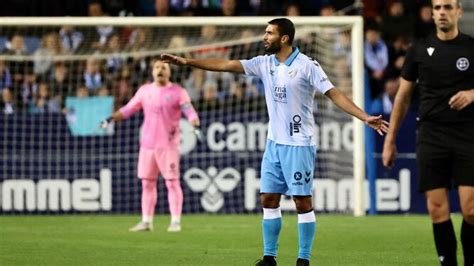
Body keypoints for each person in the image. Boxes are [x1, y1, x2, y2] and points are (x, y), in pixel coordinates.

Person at [162, 18, 389, 266]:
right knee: (268, 199)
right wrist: (187, 62)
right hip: (274, 144)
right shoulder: (263, 63)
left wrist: (365, 116)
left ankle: (304, 259)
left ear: (284, 38)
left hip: (299, 144)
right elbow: (225, 65)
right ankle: (270, 257)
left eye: (269, 33)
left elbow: (333, 94)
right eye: (265, 32)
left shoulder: (307, 65)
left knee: (302, 201)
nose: (265, 36)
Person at [382, 1, 474, 265]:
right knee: (436, 209)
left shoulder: (471, 47)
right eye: (437, 8)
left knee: (471, 210)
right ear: (432, 14)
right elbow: (402, 97)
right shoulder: (419, 50)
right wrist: (390, 141)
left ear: (459, 11)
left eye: (447, 7)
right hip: (432, 135)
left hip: (468, 134)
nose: (442, 12)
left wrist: (472, 93)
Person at [101, 59, 201, 233]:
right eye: (157, 67)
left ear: (169, 72)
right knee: (147, 183)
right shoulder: (144, 91)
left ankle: (175, 221)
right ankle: (147, 221)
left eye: (164, 67)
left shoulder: (178, 92)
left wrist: (194, 123)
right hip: (147, 146)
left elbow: (189, 110)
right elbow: (128, 109)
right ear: (152, 71)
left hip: (168, 145)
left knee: (172, 182)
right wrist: (110, 118)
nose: (160, 69)